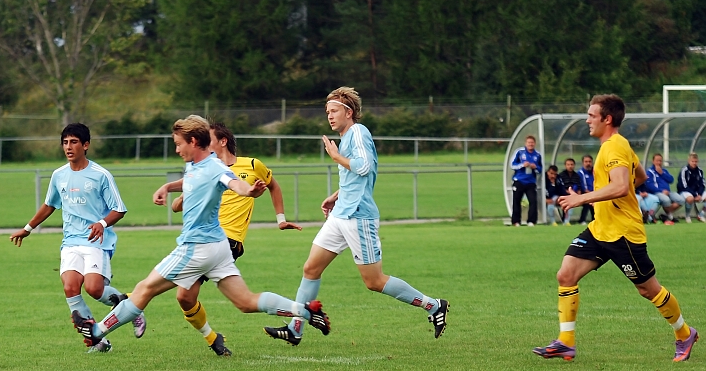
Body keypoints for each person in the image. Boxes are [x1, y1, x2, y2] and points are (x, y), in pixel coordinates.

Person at [71, 115, 330, 352]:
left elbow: (233, 183)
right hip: (218, 247)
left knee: (144, 289)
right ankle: (306, 310)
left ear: (193, 141)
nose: (176, 149)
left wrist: (249, 191)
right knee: (245, 302)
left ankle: (96, 331)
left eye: (178, 144)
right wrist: (167, 187)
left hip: (196, 247)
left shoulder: (215, 167)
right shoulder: (197, 163)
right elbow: (193, 180)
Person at [263, 87, 449, 346]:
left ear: (349, 112)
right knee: (311, 268)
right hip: (341, 215)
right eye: (327, 112)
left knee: (374, 281)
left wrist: (337, 157)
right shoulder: (346, 137)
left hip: (359, 218)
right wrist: (337, 195)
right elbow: (357, 176)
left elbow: (365, 167)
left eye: (334, 111)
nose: (329, 116)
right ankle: (296, 328)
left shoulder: (358, 132)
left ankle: (434, 305)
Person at [533, 94, 697, 362]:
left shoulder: (614, 147)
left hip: (623, 233)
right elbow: (640, 176)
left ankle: (684, 333)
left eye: (591, 115)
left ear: (607, 119)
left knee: (648, 289)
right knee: (566, 275)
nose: (587, 120)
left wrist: (581, 198)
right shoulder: (616, 146)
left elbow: (622, 186)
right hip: (600, 228)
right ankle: (566, 342)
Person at [149, 122, 303, 356]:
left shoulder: (251, 165)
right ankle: (213, 338)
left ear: (222, 141)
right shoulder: (203, 168)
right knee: (185, 297)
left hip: (226, 241)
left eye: (207, 139)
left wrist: (280, 218)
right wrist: (175, 192)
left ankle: (127, 302)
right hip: (204, 238)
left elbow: (273, 186)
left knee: (159, 288)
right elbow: (181, 203)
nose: (201, 143)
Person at [9, 123, 144, 353]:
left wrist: (101, 224)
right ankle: (98, 341)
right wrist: (27, 228)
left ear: (86, 145)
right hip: (70, 242)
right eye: (65, 142)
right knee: (71, 287)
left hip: (96, 241)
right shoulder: (59, 175)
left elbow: (119, 209)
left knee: (93, 288)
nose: (68, 147)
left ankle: (132, 308)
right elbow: (49, 205)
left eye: (73, 142)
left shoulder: (101, 175)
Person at [510, 135, 542, 226]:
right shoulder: (520, 152)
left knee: (533, 201)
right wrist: (522, 165)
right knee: (516, 201)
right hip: (519, 181)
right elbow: (512, 165)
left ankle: (531, 221)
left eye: (532, 142)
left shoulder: (538, 155)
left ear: (535, 144)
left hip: (531, 182)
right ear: (525, 143)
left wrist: (535, 167)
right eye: (529, 142)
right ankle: (516, 221)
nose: (530, 144)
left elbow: (540, 169)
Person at [645, 153, 684, 224]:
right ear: (653, 161)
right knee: (666, 200)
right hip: (657, 193)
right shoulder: (649, 172)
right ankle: (669, 216)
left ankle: (666, 215)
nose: (659, 163)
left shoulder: (664, 171)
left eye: (660, 161)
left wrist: (662, 173)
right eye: (657, 161)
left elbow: (671, 180)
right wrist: (661, 191)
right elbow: (649, 185)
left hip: (668, 192)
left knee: (681, 200)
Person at [676, 152, 706, 223]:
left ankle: (701, 214)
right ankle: (687, 216)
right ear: (689, 161)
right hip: (684, 191)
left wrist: (699, 194)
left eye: (696, 161)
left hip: (696, 193)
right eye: (692, 161)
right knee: (690, 198)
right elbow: (683, 186)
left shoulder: (700, 171)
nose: (694, 163)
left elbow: (703, 184)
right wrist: (695, 195)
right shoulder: (684, 170)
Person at [558, 158, 582, 225]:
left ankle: (582, 220)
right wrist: (567, 192)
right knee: (566, 202)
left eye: (572, 164)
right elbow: (560, 186)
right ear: (565, 165)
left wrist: (579, 195)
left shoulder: (577, 176)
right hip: (564, 195)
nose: (570, 166)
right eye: (568, 164)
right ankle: (565, 220)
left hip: (574, 195)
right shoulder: (561, 175)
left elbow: (579, 186)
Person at [577, 154, 595, 224]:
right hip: (585, 194)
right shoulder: (580, 173)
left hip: (594, 194)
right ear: (583, 163)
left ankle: (595, 220)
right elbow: (583, 188)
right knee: (588, 202)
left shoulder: (595, 172)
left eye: (590, 162)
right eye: (586, 162)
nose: (588, 163)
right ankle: (582, 220)